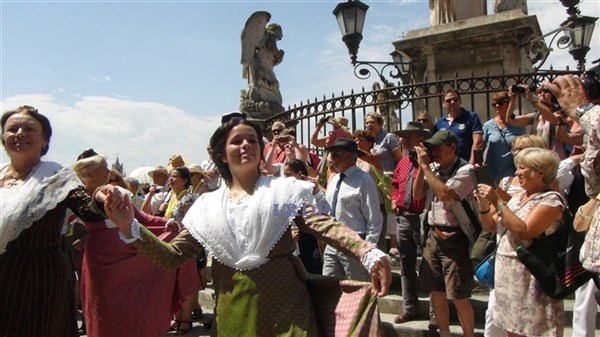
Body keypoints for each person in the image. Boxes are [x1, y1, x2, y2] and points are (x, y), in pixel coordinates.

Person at [103, 119, 391, 336]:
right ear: (222, 154)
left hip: (289, 311)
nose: (246, 146)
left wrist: (367, 251)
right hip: (234, 316)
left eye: (252, 140)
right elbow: (171, 256)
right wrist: (131, 227)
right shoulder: (207, 208)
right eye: (237, 141)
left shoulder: (284, 192)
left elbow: (321, 223)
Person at [0, 106, 106, 337]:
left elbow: (90, 211)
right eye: (12, 129)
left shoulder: (57, 177)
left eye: (29, 129)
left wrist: (99, 196)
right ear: (3, 138)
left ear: (45, 140)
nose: (19, 133)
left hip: (39, 277)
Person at [72, 151, 197, 337]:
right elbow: (92, 202)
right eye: (103, 169)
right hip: (101, 261)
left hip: (128, 253)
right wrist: (101, 195)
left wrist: (165, 223)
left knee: (131, 304)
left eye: (109, 170)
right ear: (89, 174)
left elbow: (141, 217)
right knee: (104, 307)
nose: (108, 173)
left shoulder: (118, 193)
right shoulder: (79, 195)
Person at [476, 148, 565, 337]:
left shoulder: (551, 200)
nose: (516, 173)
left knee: (534, 330)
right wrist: (484, 205)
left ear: (540, 173)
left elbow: (525, 231)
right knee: (513, 330)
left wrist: (497, 200)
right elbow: (490, 226)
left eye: (522, 168)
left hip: (532, 278)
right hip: (508, 277)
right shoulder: (517, 197)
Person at [413, 130, 478, 337]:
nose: (434, 153)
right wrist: (422, 168)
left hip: (456, 239)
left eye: (438, 148)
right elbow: (417, 194)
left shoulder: (466, 170)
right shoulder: (433, 169)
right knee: (436, 292)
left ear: (452, 147)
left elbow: (445, 195)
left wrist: (425, 166)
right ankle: (444, 333)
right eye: (431, 149)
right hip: (433, 236)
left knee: (458, 295)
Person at [322, 138, 384, 282]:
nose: (332, 159)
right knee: (327, 285)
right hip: (332, 242)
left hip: (354, 242)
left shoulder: (364, 180)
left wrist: (368, 249)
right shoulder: (334, 179)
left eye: (336, 155)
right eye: (332, 155)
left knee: (358, 287)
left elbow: (374, 217)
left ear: (350, 156)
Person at [389, 122, 431, 325]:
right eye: (402, 136)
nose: (402, 140)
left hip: (425, 218)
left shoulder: (431, 161)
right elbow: (395, 184)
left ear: (419, 139)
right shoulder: (403, 162)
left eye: (407, 136)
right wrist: (395, 200)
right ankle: (410, 308)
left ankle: (435, 314)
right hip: (404, 218)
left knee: (431, 266)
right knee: (406, 266)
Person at [483, 91, 525, 183]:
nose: (497, 106)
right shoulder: (488, 125)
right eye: (494, 104)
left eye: (501, 103)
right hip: (493, 172)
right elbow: (480, 146)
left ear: (509, 104)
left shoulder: (519, 124)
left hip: (513, 171)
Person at [433, 89, 484, 165]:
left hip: (466, 165)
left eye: (455, 99)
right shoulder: (439, 123)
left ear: (460, 101)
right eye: (449, 100)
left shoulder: (471, 117)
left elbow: (478, 142)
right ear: (444, 104)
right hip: (445, 168)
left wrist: (471, 164)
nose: (452, 102)